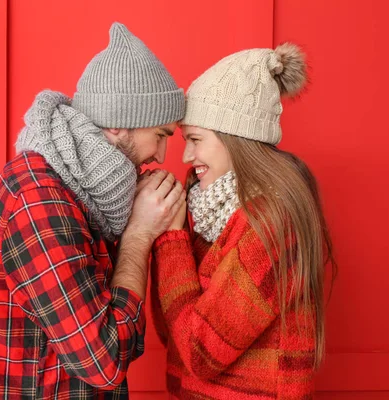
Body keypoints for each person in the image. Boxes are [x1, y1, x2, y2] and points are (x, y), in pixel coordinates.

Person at [0, 22, 186, 399]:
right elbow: (105, 361)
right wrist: (139, 236)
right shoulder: (40, 202)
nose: (161, 157)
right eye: (160, 135)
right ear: (118, 123)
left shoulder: (86, 190)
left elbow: (113, 331)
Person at [149, 43, 336, 399]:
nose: (187, 156)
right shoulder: (208, 210)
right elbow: (171, 327)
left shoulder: (270, 224)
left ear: (235, 141)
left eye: (195, 140)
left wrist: (171, 239)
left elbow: (198, 352)